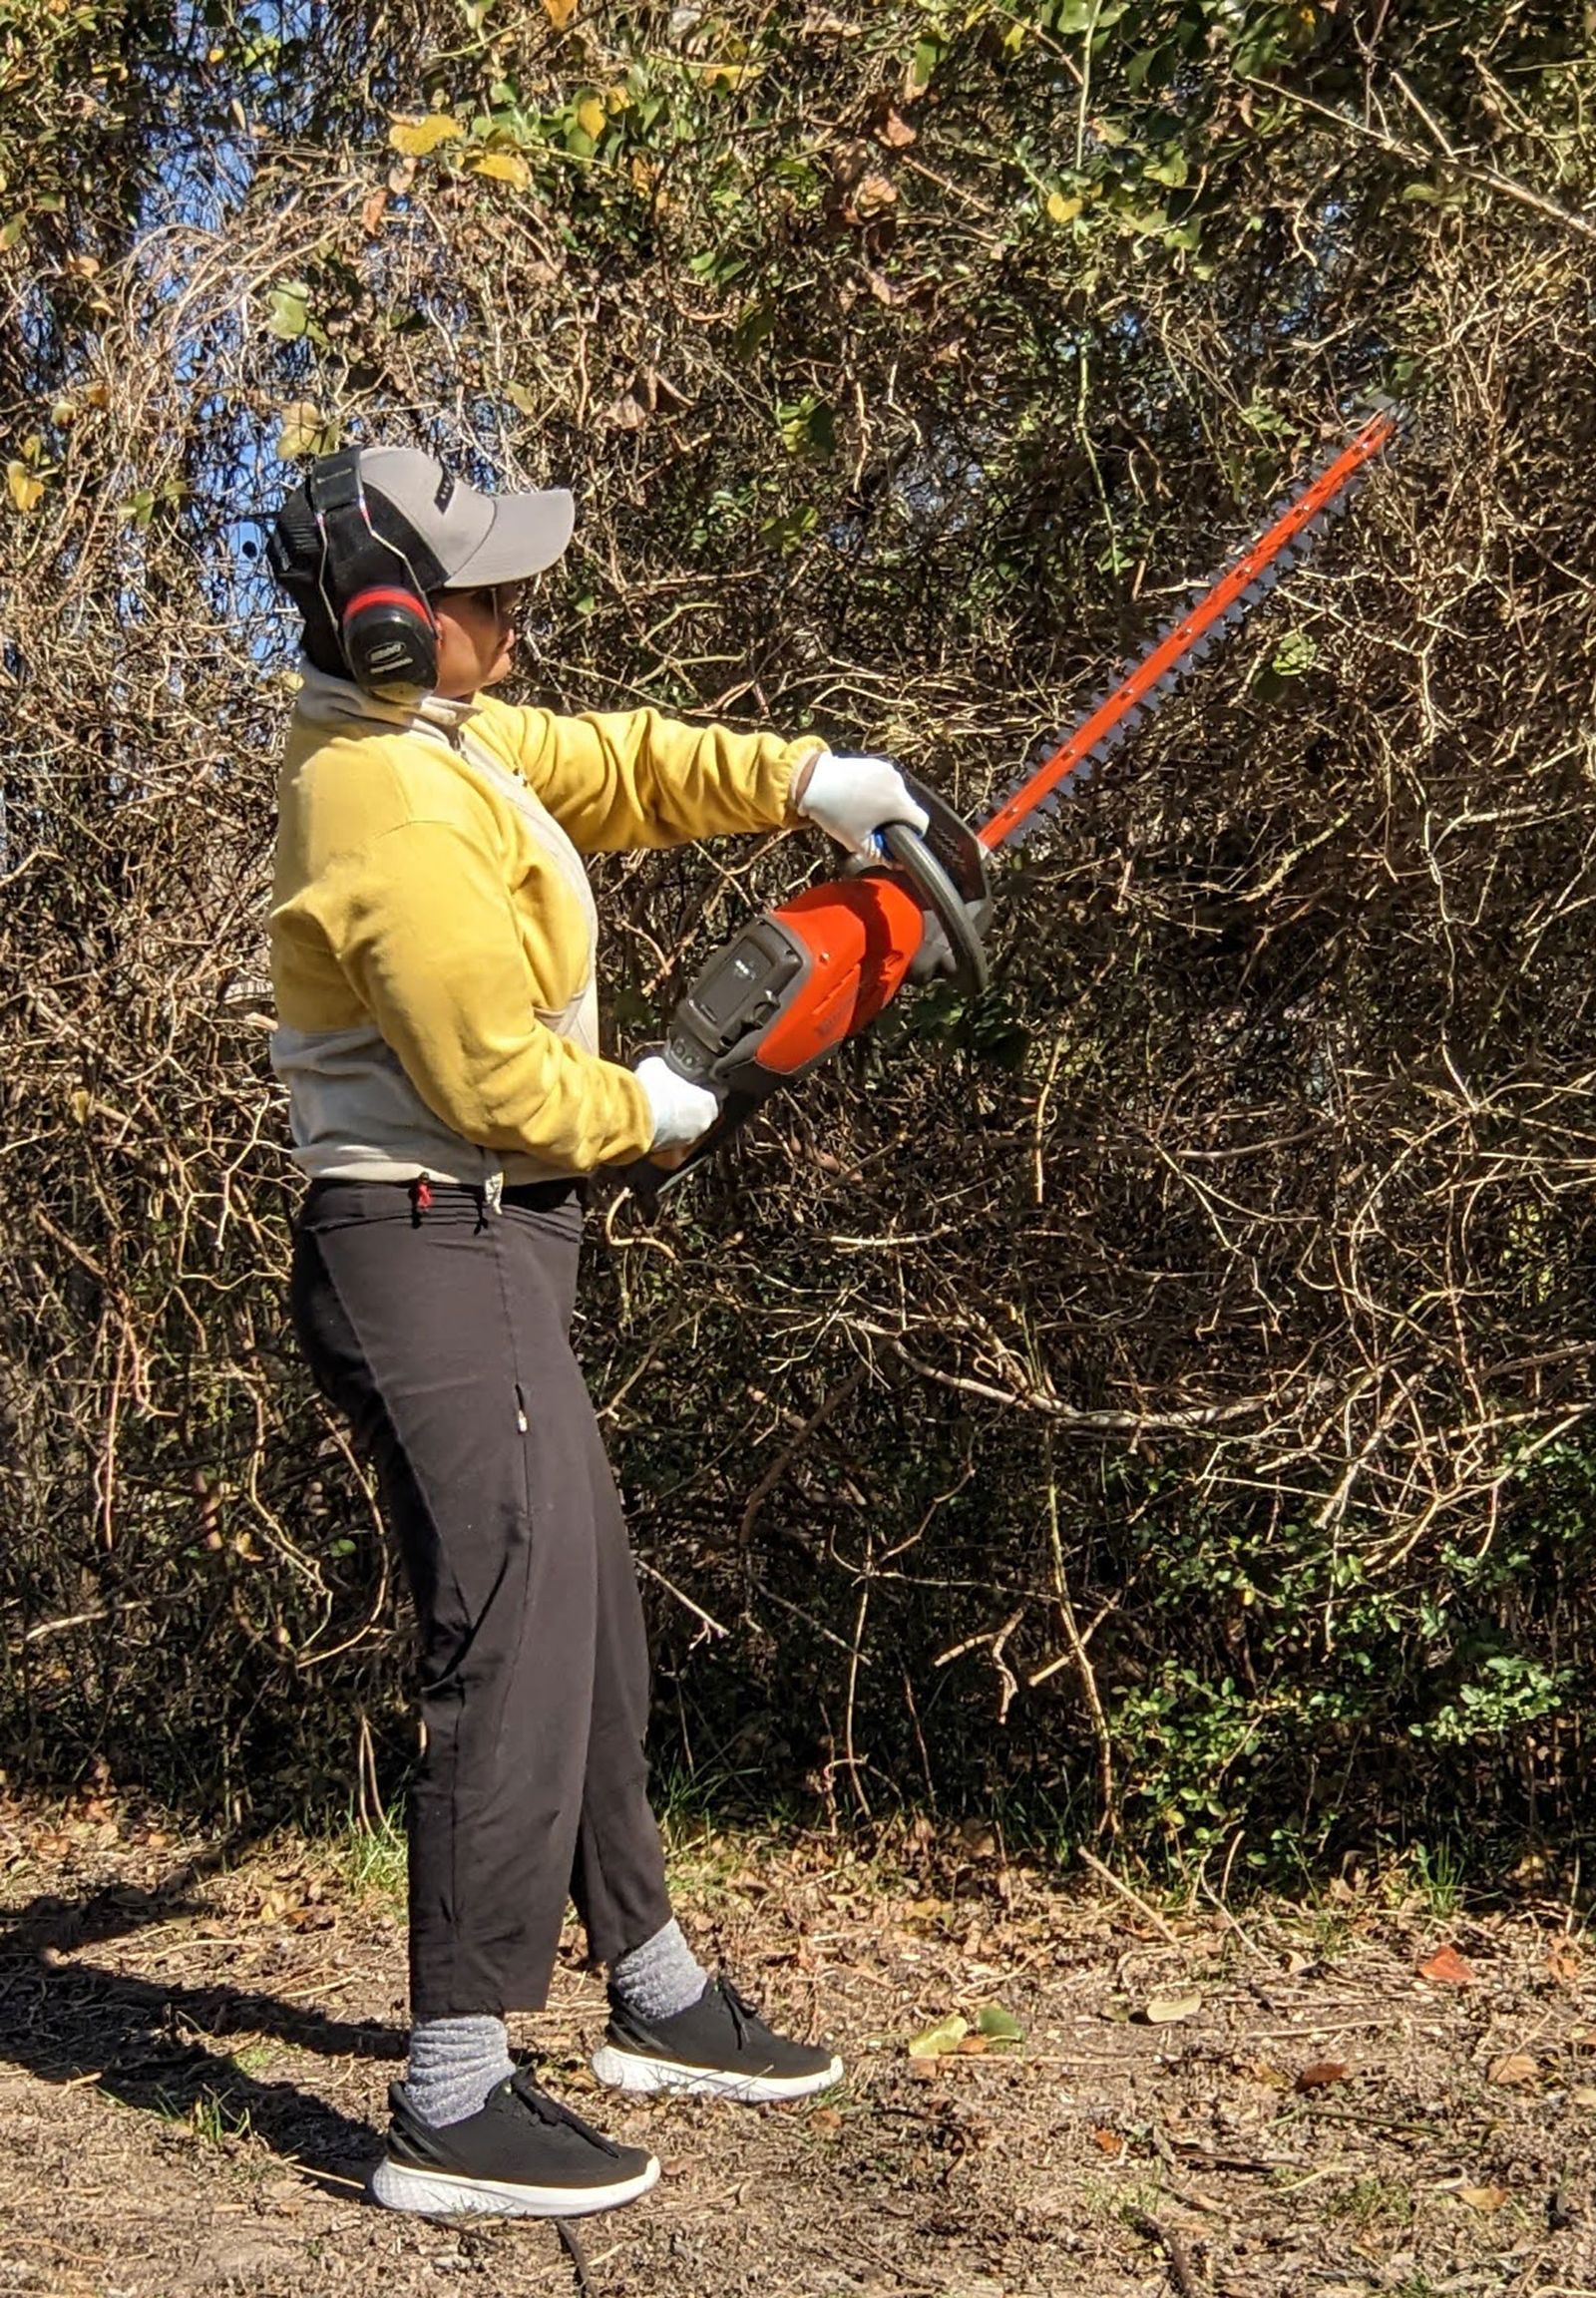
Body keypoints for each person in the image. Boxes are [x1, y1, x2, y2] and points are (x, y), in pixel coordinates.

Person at [264, 444, 928, 2219]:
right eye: (485, 595)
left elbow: (621, 762)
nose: (515, 617)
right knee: (511, 1633)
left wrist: (808, 781)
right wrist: (646, 1109)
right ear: (397, 621)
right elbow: (490, 1078)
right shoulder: (386, 806)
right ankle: (454, 2092)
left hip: (488, 1243)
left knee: (588, 1613)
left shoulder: (448, 741)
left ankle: (651, 1988)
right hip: (433, 1237)